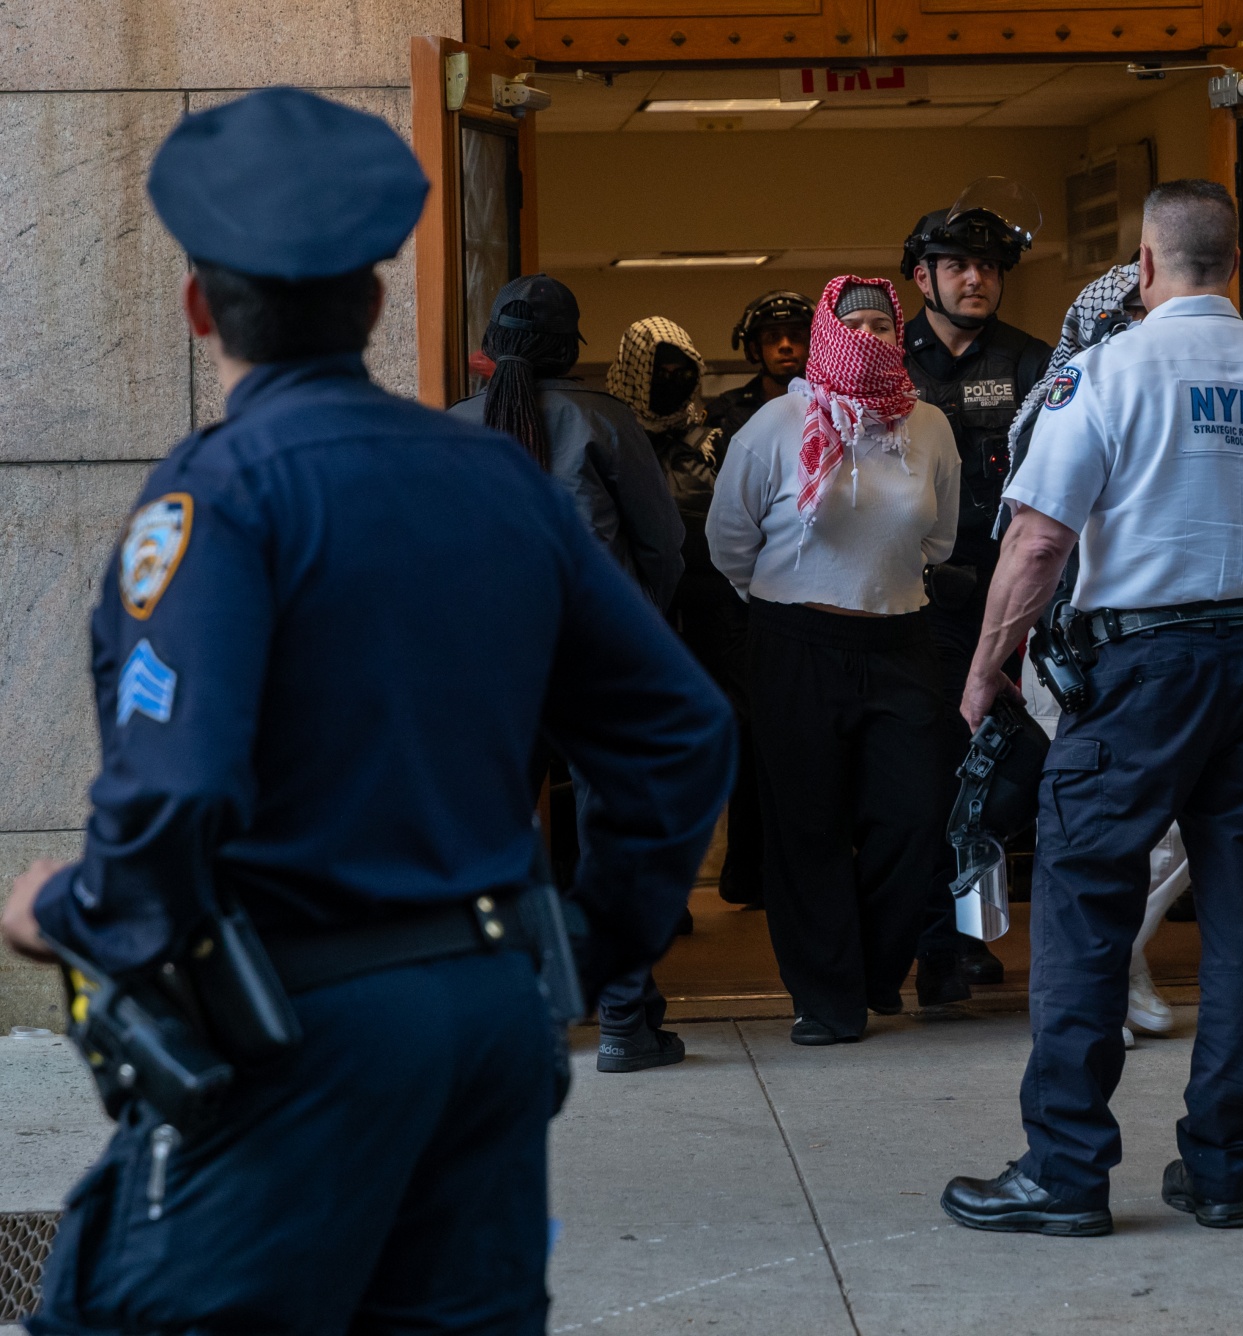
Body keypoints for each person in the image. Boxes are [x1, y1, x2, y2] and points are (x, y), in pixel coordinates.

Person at [0, 88, 734, 1332]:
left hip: (297, 1028)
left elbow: (176, 787)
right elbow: (679, 728)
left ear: (197, 308)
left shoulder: (218, 497)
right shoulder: (498, 482)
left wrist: (70, 908)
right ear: (379, 302)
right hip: (489, 1016)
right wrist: (585, 943)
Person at [939, 180, 1243, 1236]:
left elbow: (1039, 542)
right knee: (1239, 916)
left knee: (1087, 910)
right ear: (1232, 263)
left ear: (1142, 265)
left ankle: (1065, 1170)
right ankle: (1219, 1169)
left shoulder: (1105, 372)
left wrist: (985, 666)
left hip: (1136, 673)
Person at [706, 276, 961, 1046]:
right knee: (806, 827)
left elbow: (938, 540)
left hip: (899, 644)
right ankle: (827, 998)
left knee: (914, 818)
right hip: (796, 646)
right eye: (853, 325)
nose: (871, 337)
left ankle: (876, 972)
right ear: (826, 335)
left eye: (884, 324)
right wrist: (795, 599)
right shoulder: (775, 425)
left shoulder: (930, 428)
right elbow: (728, 543)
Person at [452, 282, 692, 1075]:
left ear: (493, 340)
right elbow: (663, 546)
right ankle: (624, 1022)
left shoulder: (450, 430)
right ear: (571, 346)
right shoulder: (604, 420)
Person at [1008, 261, 1179, 1042]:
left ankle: (1116, 962)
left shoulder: (1176, 399)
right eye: (1120, 324)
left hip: (1164, 644)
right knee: (1091, 822)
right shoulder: (1061, 403)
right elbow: (1032, 543)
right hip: (1069, 648)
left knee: (1178, 832)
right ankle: (1095, 981)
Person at [900, 191, 1055, 1003]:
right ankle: (933, 943)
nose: (975, 280)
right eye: (958, 265)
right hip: (911, 604)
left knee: (1008, 771)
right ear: (923, 276)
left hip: (1009, 601)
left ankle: (963, 929)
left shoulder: (1033, 361)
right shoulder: (885, 358)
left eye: (989, 267)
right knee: (924, 774)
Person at [608, 316, 766, 916]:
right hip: (641, 605)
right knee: (652, 742)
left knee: (745, 731)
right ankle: (661, 891)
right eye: (659, 371)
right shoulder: (611, 432)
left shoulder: (714, 437)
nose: (671, 383)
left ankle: (748, 868)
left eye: (683, 372)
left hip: (716, 603)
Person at [707, 289, 813, 452]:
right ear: (755, 349)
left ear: (813, 345)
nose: (785, 345)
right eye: (772, 337)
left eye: (796, 336)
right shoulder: (724, 414)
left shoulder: (835, 410)